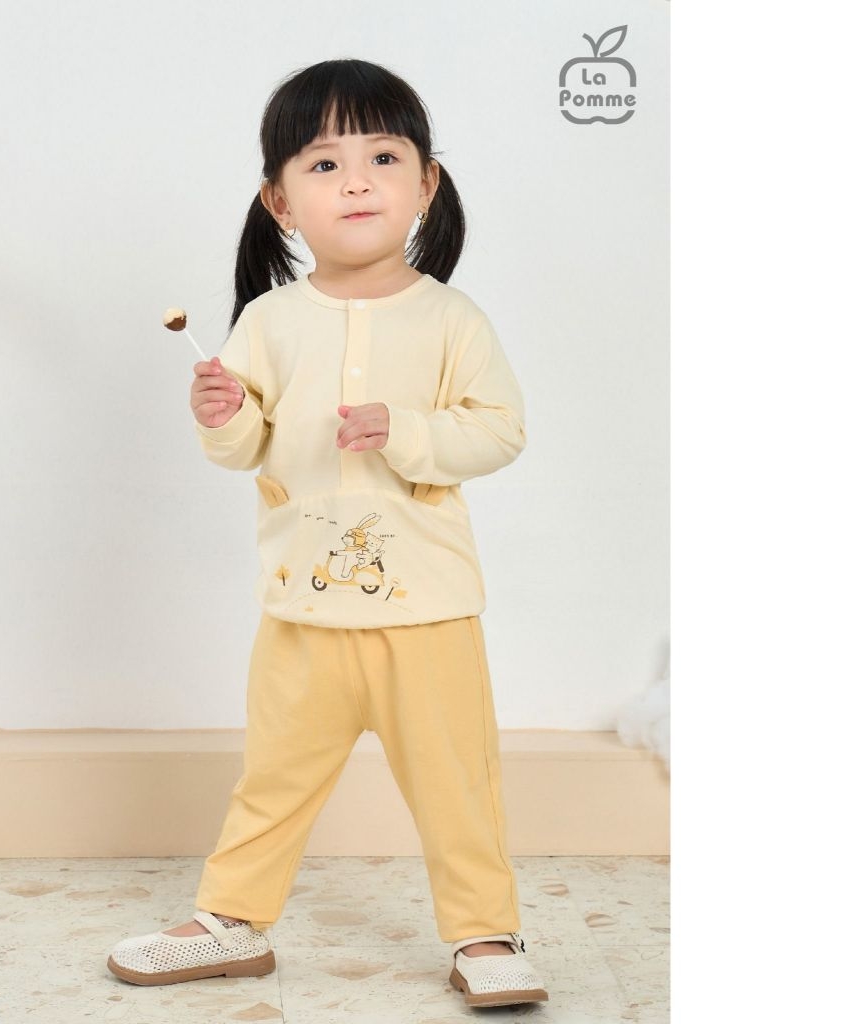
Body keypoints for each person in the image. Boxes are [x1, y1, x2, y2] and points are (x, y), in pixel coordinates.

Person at [107, 58, 549, 1009]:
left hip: (428, 611)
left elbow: (500, 431)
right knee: (273, 778)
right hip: (301, 611)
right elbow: (244, 448)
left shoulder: (452, 319)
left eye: (383, 157)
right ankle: (232, 920)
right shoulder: (269, 322)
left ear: (426, 184)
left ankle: (484, 929)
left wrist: (410, 431)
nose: (356, 181)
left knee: (456, 782)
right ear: (280, 201)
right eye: (323, 163)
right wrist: (222, 413)